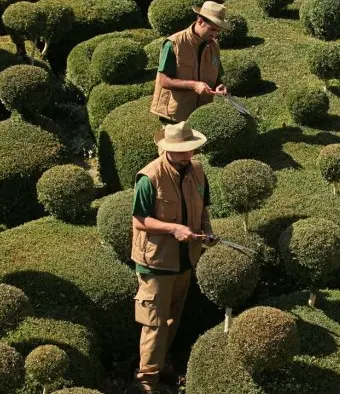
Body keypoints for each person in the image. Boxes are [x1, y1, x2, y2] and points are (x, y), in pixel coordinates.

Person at [129, 121, 217, 394]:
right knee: (154, 324)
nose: (187, 156)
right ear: (166, 149)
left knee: (172, 319)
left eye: (190, 150)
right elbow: (139, 220)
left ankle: (162, 363)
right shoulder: (149, 177)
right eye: (181, 152)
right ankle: (146, 381)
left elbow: (203, 209)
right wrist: (173, 228)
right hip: (155, 263)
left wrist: (208, 232)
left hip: (184, 260)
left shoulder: (198, 171)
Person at [150, 1, 230, 123]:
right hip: (175, 116)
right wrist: (194, 85)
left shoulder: (214, 46)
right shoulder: (174, 43)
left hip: (201, 114)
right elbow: (163, 81)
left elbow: (217, 73)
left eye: (218, 31)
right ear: (200, 21)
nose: (215, 35)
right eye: (212, 29)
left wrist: (219, 86)